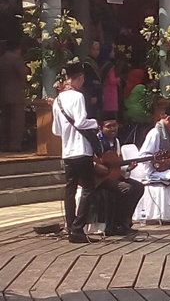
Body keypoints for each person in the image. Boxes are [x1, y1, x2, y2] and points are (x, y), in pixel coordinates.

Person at [52, 62, 99, 243]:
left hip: (67, 151)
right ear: (80, 78)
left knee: (70, 188)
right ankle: (79, 229)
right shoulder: (78, 97)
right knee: (88, 188)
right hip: (81, 149)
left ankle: (71, 227)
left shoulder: (58, 100)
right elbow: (80, 122)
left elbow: (56, 130)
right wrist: (94, 123)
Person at [94, 112, 144, 236]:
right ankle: (115, 223)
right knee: (126, 189)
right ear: (100, 128)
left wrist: (128, 168)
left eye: (114, 125)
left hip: (112, 177)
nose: (113, 129)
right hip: (99, 179)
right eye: (108, 126)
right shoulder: (96, 142)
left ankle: (125, 221)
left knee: (138, 187)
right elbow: (93, 161)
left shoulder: (116, 141)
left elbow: (116, 165)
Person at [0, 40, 27, 152]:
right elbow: (22, 73)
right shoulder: (16, 58)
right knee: (17, 120)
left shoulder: (2, 59)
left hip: (3, 94)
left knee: (5, 120)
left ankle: (3, 143)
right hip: (15, 94)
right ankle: (15, 145)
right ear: (18, 48)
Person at [82, 41, 103, 119]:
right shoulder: (87, 63)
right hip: (92, 92)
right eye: (94, 49)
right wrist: (92, 95)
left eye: (98, 50)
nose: (96, 52)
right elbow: (88, 80)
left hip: (98, 91)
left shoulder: (96, 61)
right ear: (90, 49)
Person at [100, 46, 120, 116]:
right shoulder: (110, 66)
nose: (113, 53)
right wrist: (119, 79)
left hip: (105, 90)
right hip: (111, 92)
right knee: (111, 113)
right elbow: (112, 80)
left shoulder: (101, 63)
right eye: (112, 51)